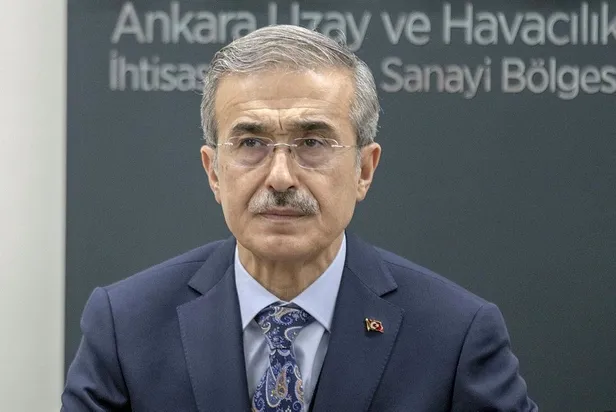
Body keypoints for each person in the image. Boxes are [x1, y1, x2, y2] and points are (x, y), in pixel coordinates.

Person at [62, 24, 538, 412]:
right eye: (251, 143)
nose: (281, 177)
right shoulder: (126, 325)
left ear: (364, 169)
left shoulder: (454, 334)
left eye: (312, 142)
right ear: (213, 171)